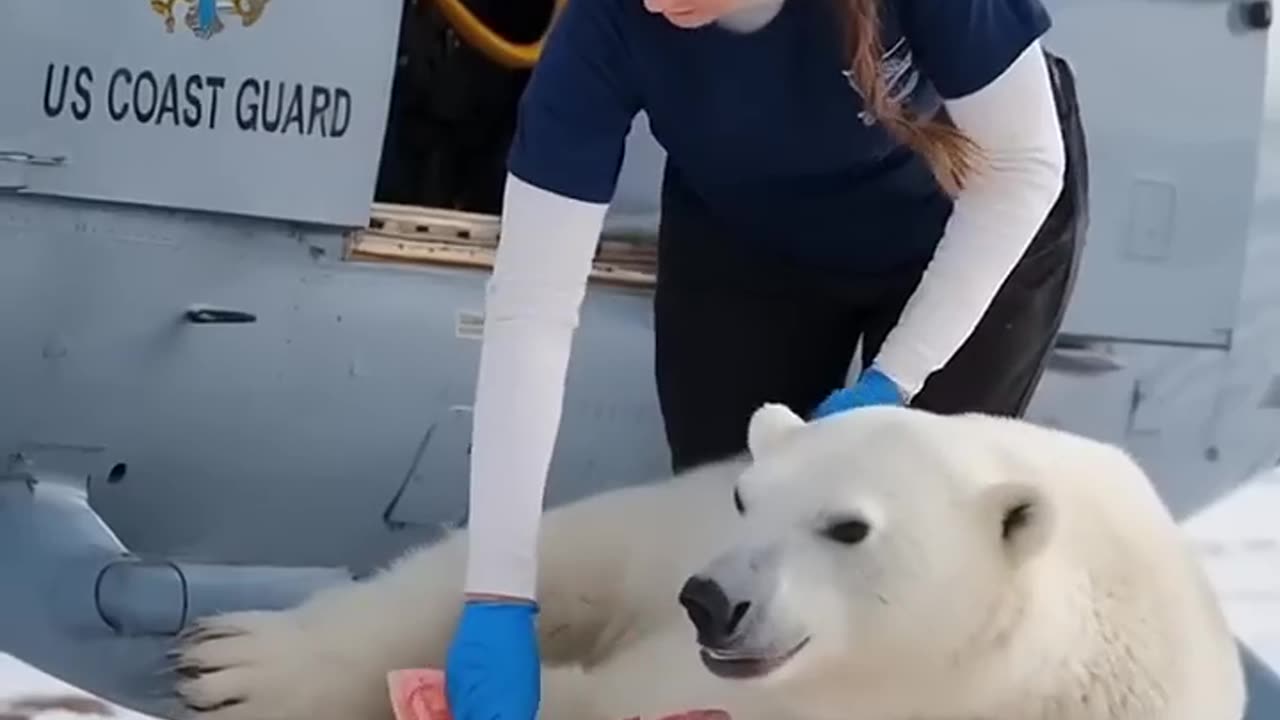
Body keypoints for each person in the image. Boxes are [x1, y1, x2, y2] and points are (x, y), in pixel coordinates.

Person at [443, 0, 1090, 716]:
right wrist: (497, 596)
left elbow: (1024, 166)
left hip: (972, 213)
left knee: (921, 535)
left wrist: (893, 378)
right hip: (747, 235)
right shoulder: (606, 25)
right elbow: (532, 308)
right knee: (728, 520)